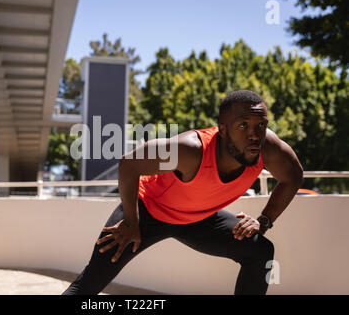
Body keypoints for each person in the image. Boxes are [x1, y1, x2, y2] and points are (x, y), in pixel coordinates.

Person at [62, 90, 304, 295]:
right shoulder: (190, 150)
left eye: (261, 125)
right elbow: (130, 163)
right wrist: (132, 220)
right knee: (88, 286)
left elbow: (293, 177)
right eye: (243, 125)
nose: (255, 134)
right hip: (148, 211)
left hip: (200, 219)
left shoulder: (268, 148)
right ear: (223, 130)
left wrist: (264, 221)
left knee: (260, 250)